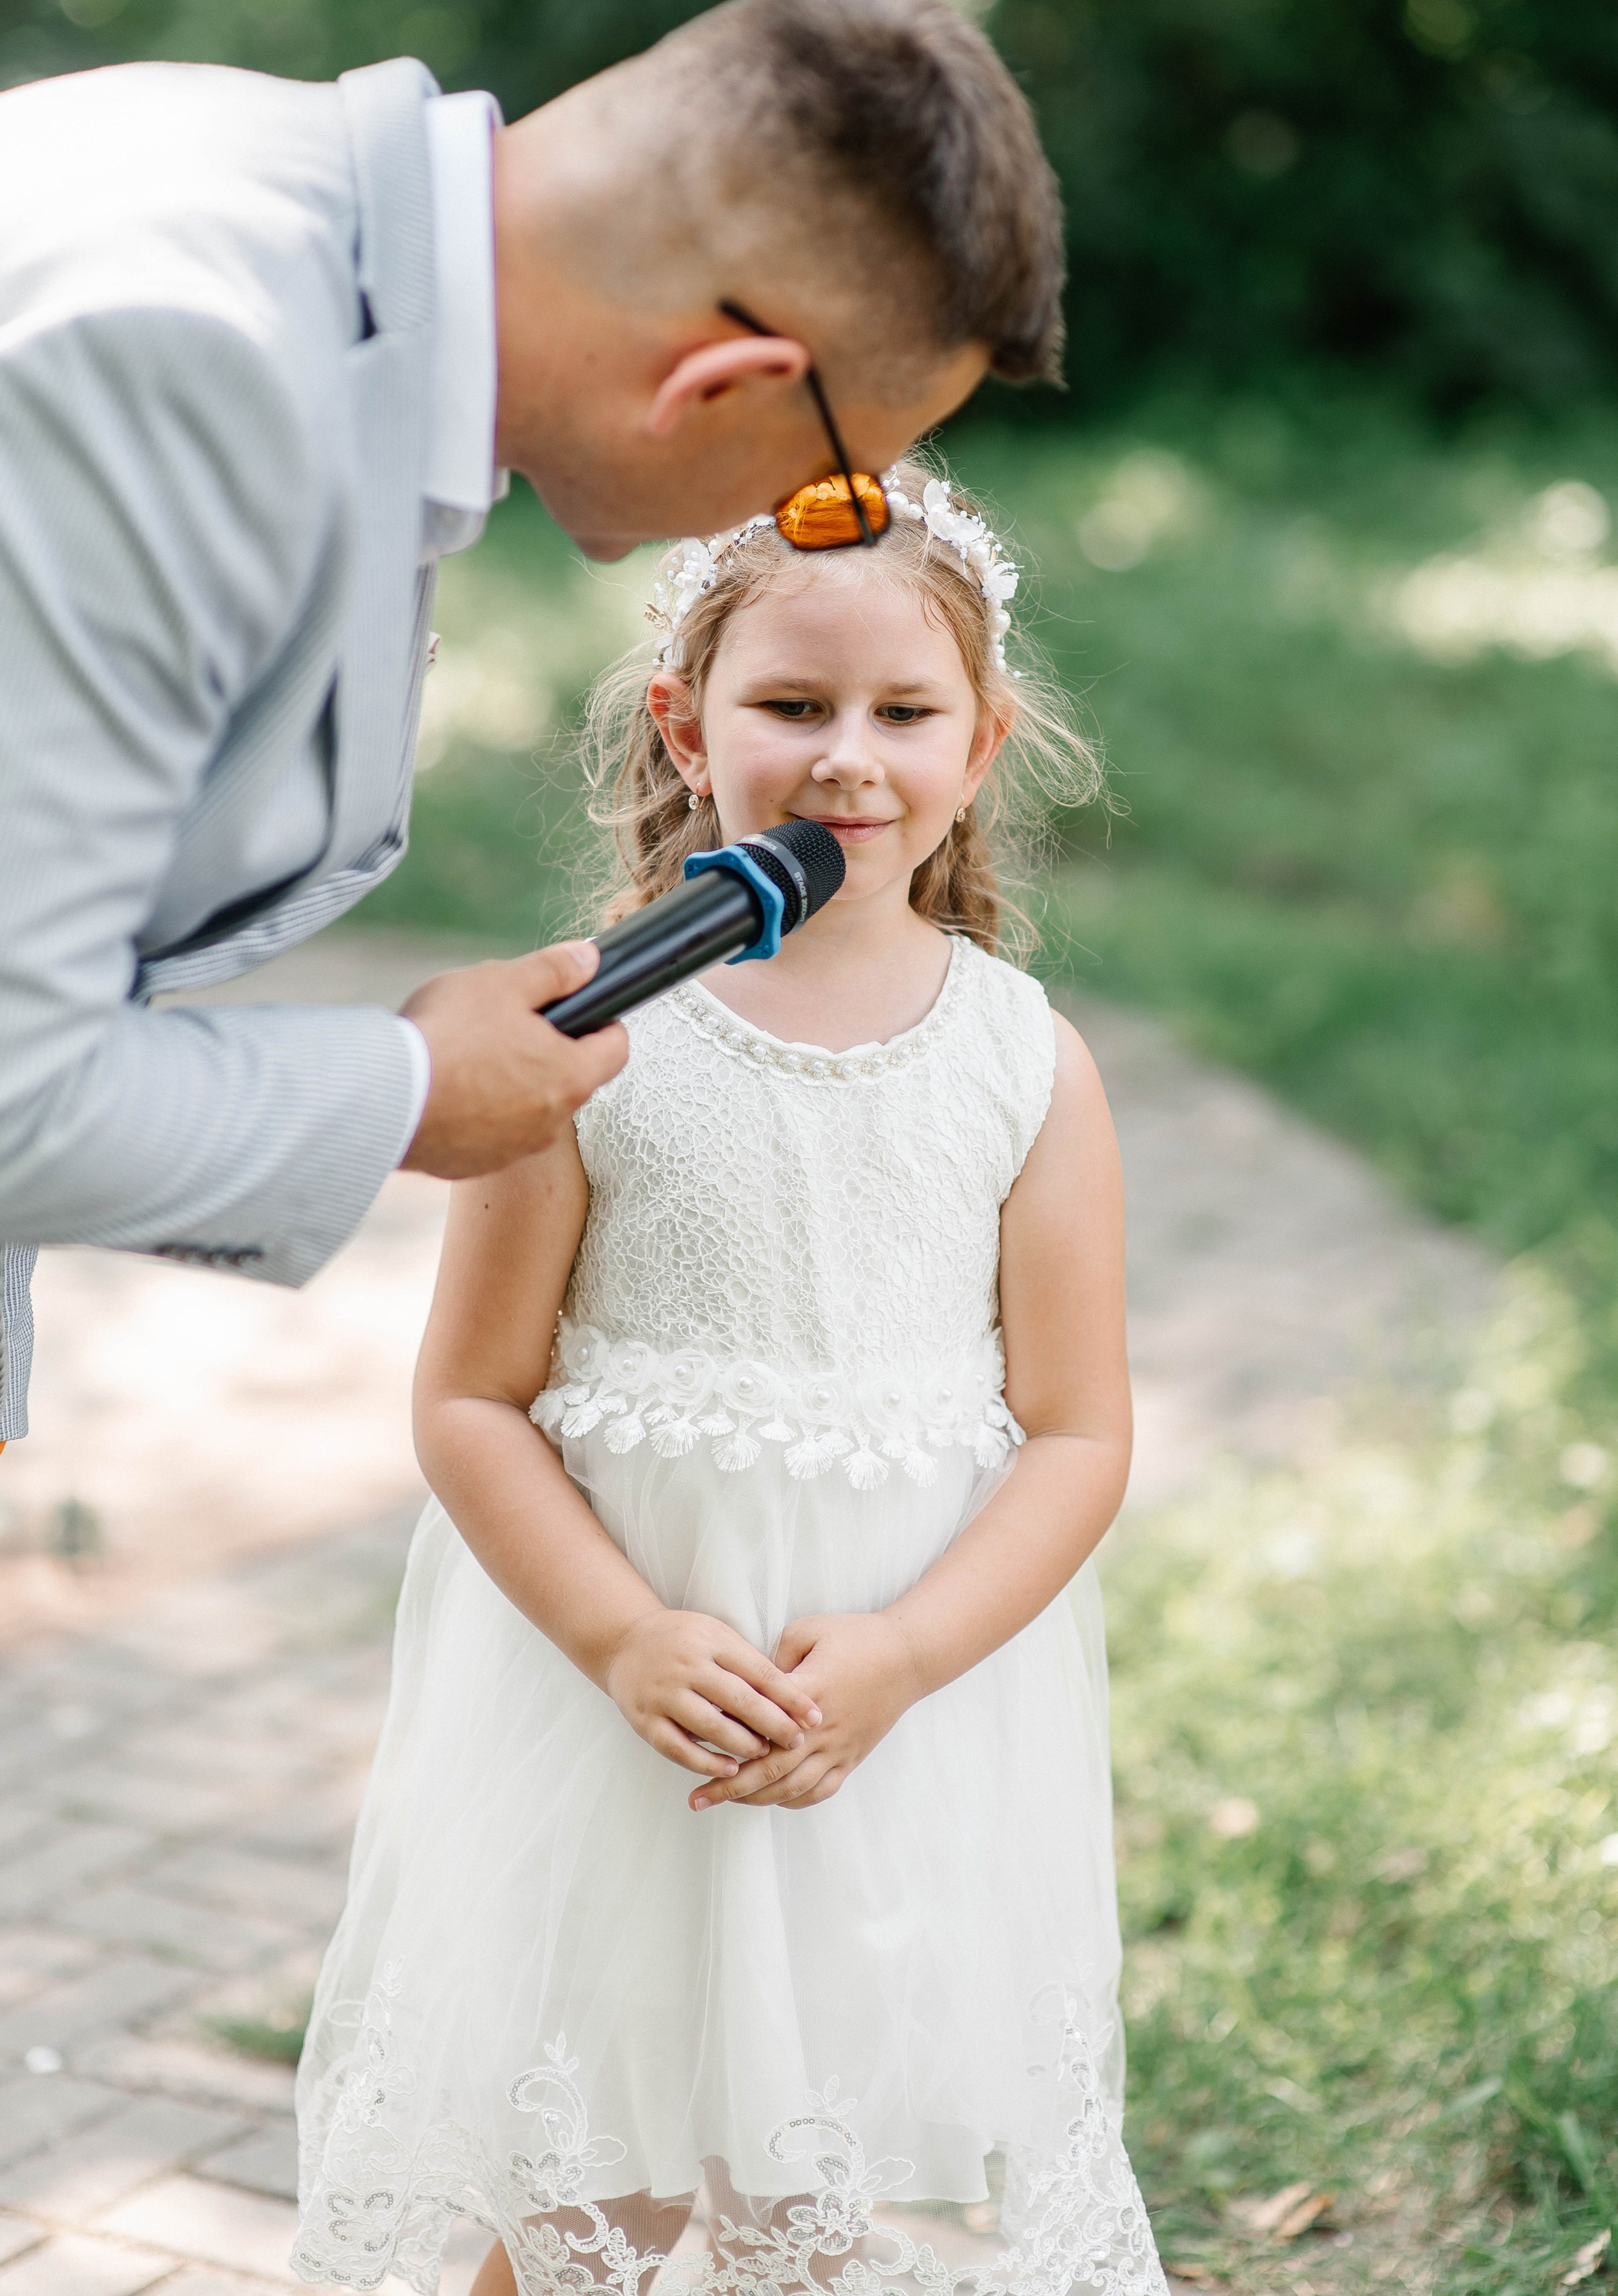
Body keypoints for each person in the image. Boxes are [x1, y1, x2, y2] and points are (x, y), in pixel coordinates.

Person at [0, 0, 1065, 1626]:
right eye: (841, 485)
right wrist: (402, 1093)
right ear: (724, 382)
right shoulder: (186, 364)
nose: (821, 521)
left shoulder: (219, 192)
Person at [290, 456, 1164, 2296]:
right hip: (630, 1699)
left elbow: (1082, 1431)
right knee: (590, 2195)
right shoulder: (587, 1036)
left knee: (807, 2165)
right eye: (793, 703)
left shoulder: (1024, 1059)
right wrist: (618, 1633)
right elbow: (470, 1398)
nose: (850, 754)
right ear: (691, 726)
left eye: (903, 711)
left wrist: (913, 1651)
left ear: (981, 740)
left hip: (883, 1707)